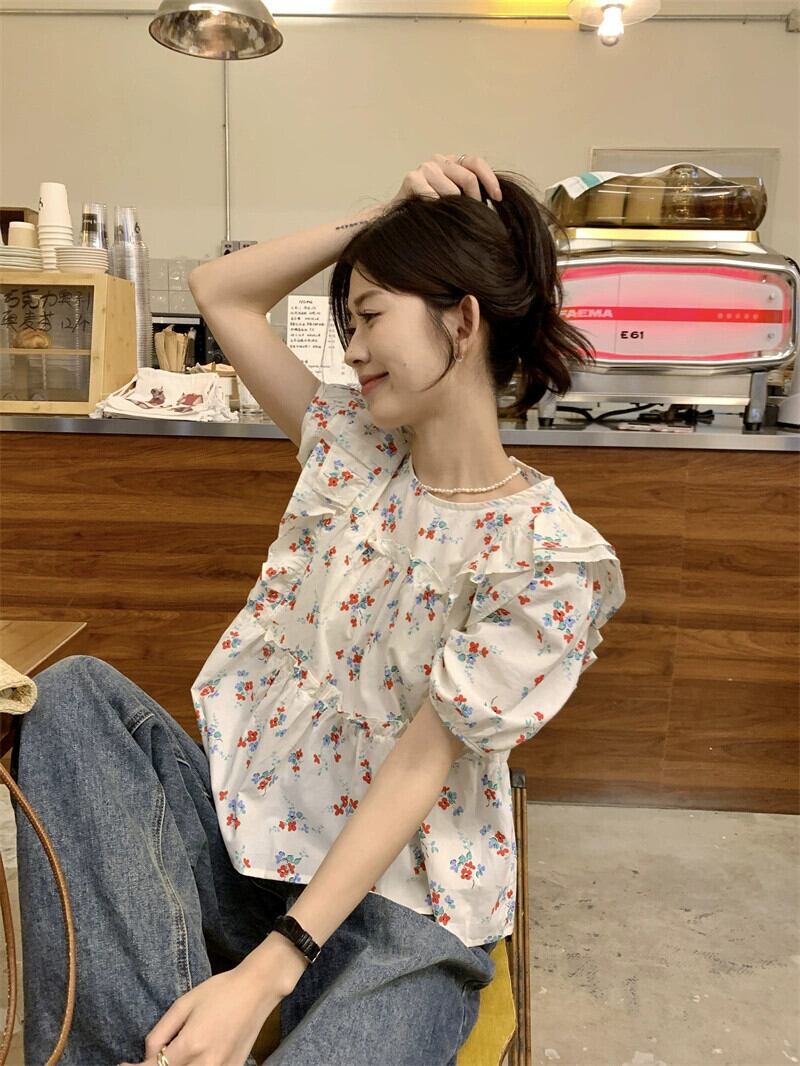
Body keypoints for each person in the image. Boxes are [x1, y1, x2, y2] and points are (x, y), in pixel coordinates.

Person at [12, 153, 626, 1066]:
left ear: (463, 320)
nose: (352, 349)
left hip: (407, 920)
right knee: (71, 697)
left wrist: (270, 969)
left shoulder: (546, 558)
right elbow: (221, 293)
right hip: (257, 857)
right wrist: (387, 218)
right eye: (350, 322)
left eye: (371, 316)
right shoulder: (354, 450)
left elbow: (419, 766)